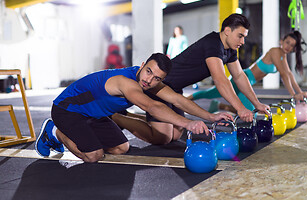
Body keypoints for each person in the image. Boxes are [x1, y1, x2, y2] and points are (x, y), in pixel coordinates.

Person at [35, 53, 232, 163]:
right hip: (67, 110)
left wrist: (210, 117)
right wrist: (188, 123)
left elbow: (178, 100)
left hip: (93, 115)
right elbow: (152, 107)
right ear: (143, 64)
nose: (149, 80)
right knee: (93, 156)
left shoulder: (150, 82)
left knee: (121, 148)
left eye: (157, 78)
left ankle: (77, 134)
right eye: (148, 72)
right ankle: (54, 131)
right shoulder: (125, 82)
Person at [112, 14, 270, 145]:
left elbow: (239, 76)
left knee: (174, 134)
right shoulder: (213, 43)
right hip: (161, 86)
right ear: (227, 31)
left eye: (244, 37)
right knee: (162, 137)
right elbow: (221, 79)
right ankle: (116, 117)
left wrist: (257, 104)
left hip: (176, 89)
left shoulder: (229, 50)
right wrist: (240, 108)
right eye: (240, 36)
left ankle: (127, 114)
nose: (242, 41)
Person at [188, 30, 307, 113]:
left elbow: (288, 74)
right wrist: (293, 95)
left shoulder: (282, 55)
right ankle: (184, 100)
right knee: (212, 93)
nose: (288, 46)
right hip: (243, 78)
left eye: (292, 45)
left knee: (247, 110)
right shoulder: (276, 51)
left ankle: (219, 106)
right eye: (287, 42)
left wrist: (300, 92)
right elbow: (284, 74)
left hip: (249, 81)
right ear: (282, 41)